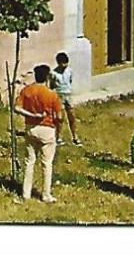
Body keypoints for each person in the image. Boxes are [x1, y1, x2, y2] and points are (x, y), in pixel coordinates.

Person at [14, 64, 64, 203]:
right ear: (47, 77)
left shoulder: (26, 91)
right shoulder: (51, 94)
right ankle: (46, 195)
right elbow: (59, 117)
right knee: (46, 163)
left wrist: (31, 115)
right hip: (47, 129)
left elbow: (17, 108)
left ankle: (26, 193)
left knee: (29, 162)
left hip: (30, 128)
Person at [50, 52, 82, 145]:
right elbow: (52, 85)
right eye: (62, 63)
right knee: (60, 118)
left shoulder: (70, 71)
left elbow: (70, 81)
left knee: (72, 116)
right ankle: (58, 137)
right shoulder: (54, 73)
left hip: (68, 95)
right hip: (59, 95)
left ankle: (75, 137)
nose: (64, 65)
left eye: (65, 63)